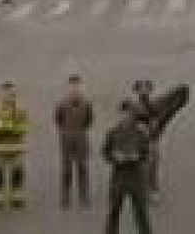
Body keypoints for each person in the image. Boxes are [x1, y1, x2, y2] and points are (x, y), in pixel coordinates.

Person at [103, 100, 153, 234]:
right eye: (123, 113)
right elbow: (105, 153)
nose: (125, 116)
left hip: (136, 177)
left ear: (133, 116)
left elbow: (147, 153)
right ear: (119, 114)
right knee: (113, 211)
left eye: (129, 114)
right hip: (119, 176)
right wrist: (115, 157)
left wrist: (137, 157)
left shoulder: (141, 134)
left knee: (141, 212)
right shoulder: (112, 133)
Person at [0, 80, 30, 209]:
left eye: (11, 93)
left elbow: (26, 125)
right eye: (6, 93)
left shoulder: (21, 108)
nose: (8, 95)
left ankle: (17, 197)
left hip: (16, 147)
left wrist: (15, 129)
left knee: (17, 172)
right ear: (1, 93)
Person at [55, 74, 94, 208]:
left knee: (82, 167)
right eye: (72, 86)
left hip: (81, 137)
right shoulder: (61, 104)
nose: (75, 88)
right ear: (68, 87)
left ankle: (84, 195)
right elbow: (58, 120)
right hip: (66, 138)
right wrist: (66, 131)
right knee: (66, 169)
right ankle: (66, 197)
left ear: (81, 87)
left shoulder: (86, 104)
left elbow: (89, 120)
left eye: (77, 85)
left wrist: (80, 131)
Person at [131, 80, 162, 198]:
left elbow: (158, 122)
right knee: (139, 165)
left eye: (146, 89)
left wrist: (152, 129)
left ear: (150, 91)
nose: (143, 91)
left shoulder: (155, 105)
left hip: (151, 139)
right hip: (137, 140)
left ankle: (153, 189)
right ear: (137, 91)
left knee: (153, 165)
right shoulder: (133, 107)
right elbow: (130, 122)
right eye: (141, 89)